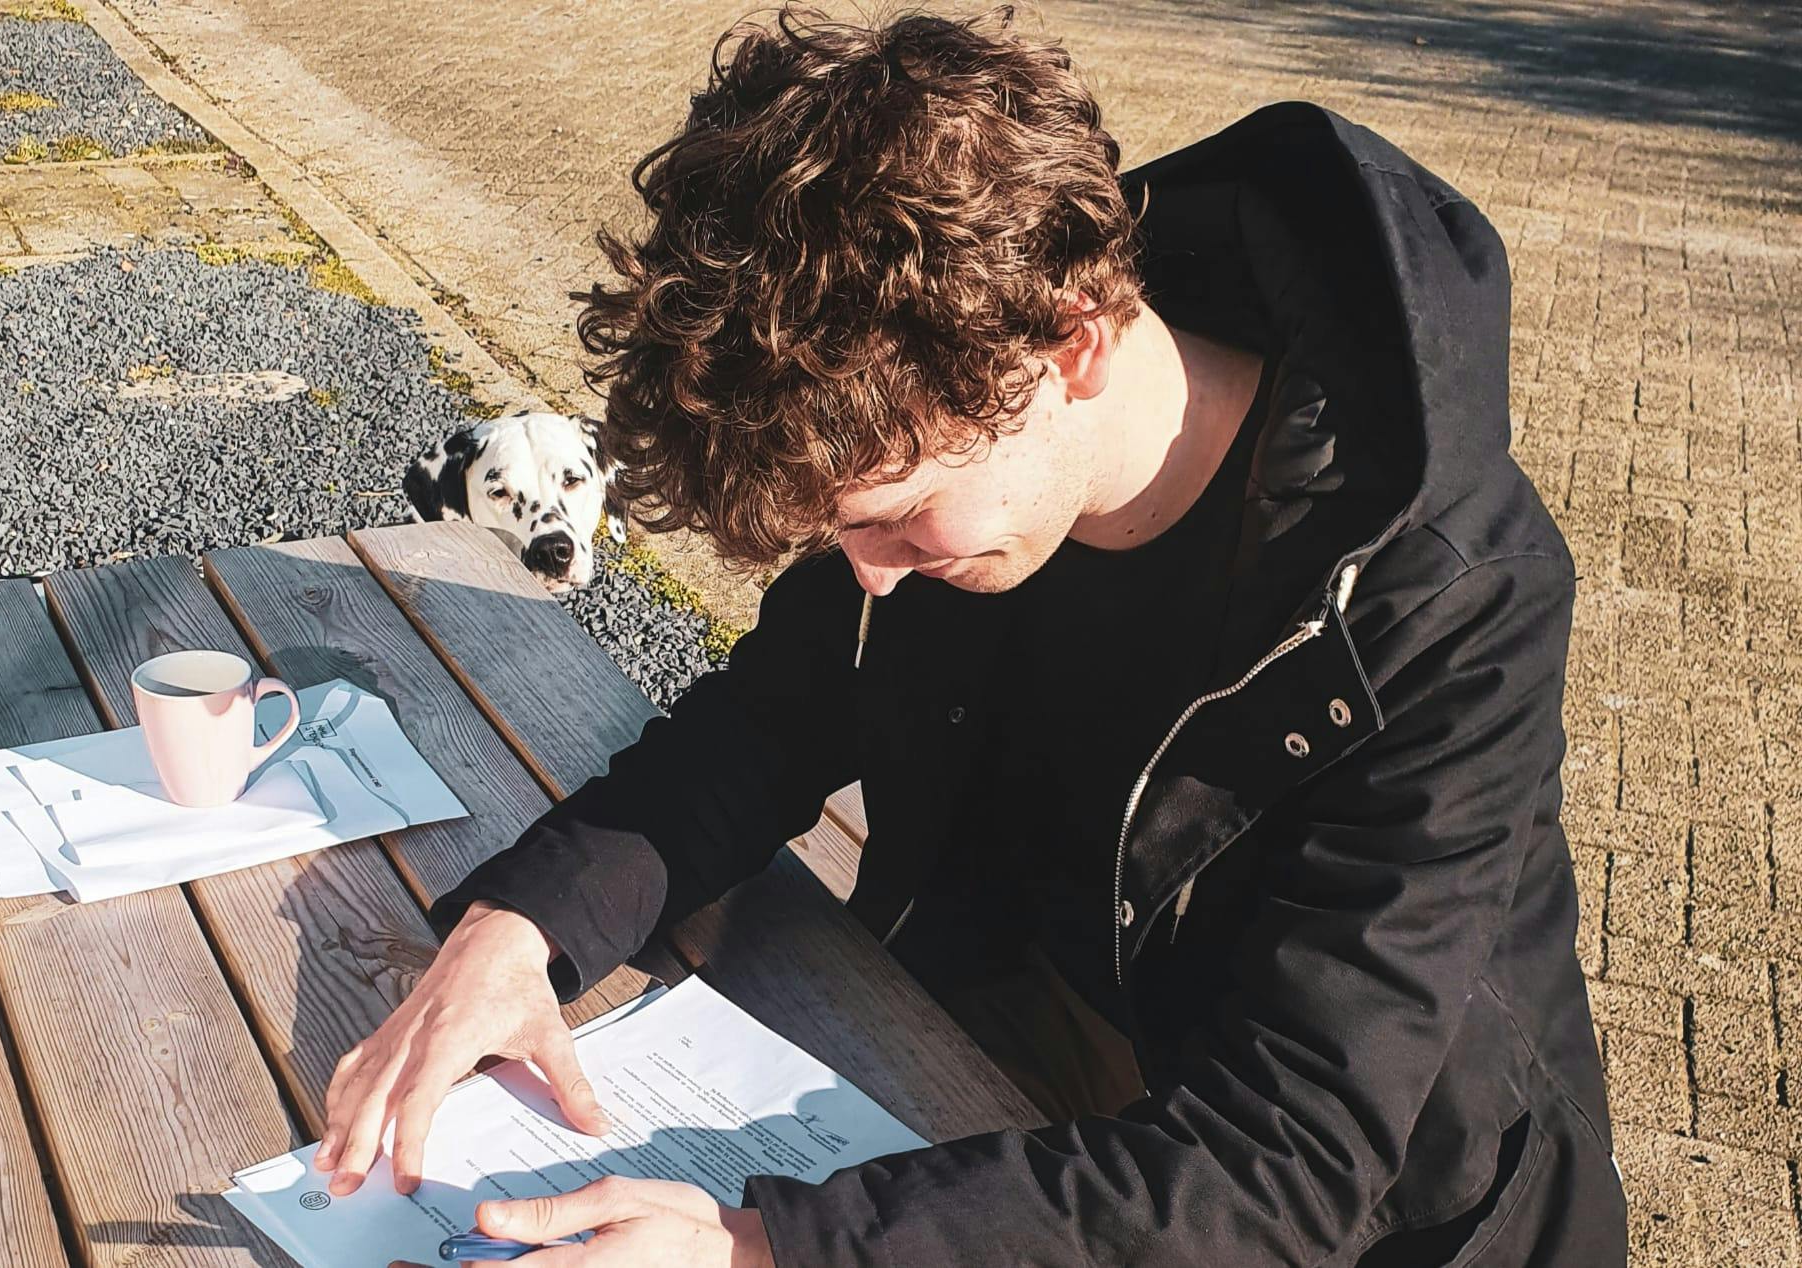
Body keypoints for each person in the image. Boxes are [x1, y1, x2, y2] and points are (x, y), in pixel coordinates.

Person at [318, 8, 1629, 1265]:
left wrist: (767, 1244)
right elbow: (765, 722)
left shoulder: (1448, 603)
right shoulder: (943, 401)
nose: (871, 584)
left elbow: (1290, 1162)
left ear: (1075, 346)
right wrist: (521, 929)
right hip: (996, 1085)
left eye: (893, 522)